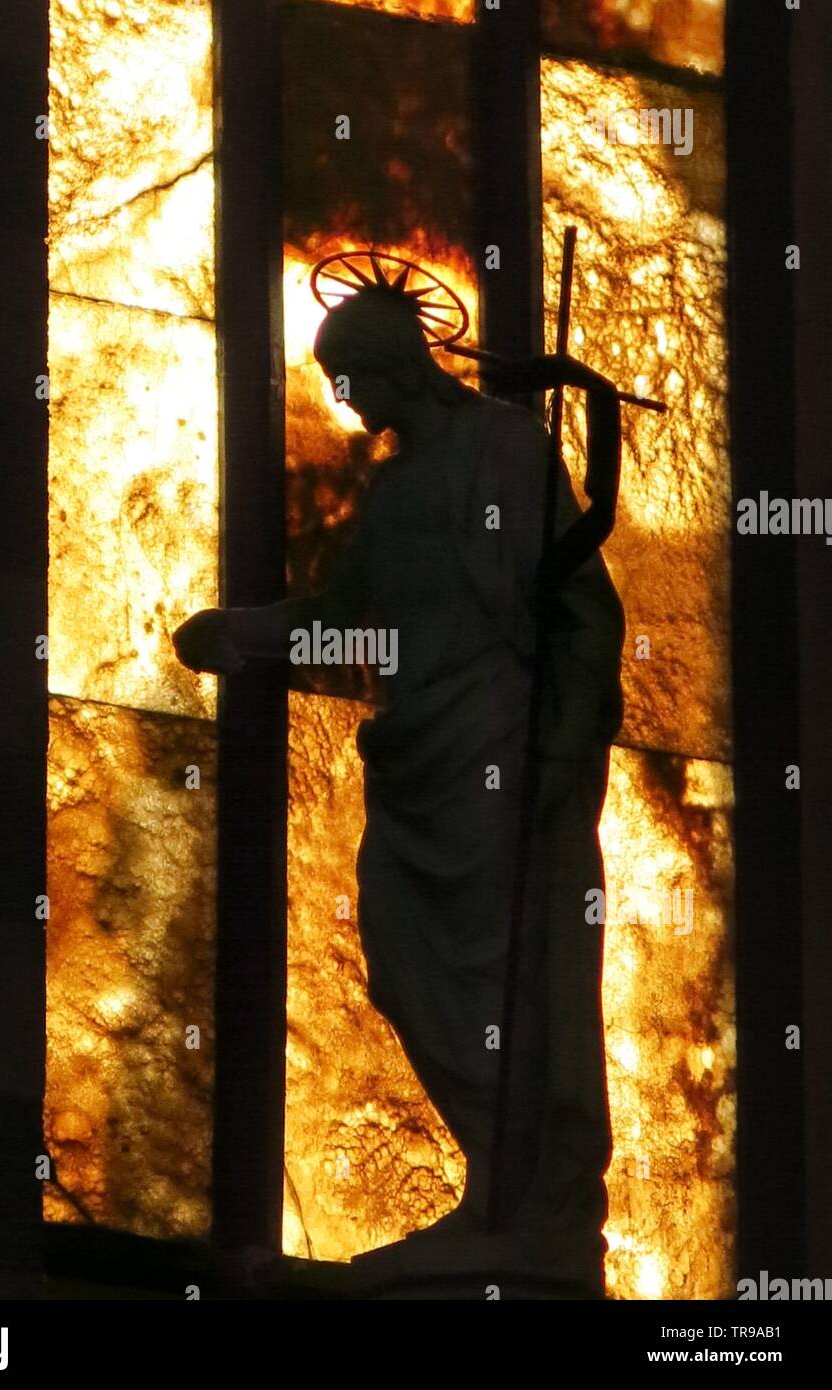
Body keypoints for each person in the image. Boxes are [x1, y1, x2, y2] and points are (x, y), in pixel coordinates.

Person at [174, 284, 625, 1294]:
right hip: (421, 761)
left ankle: (531, 1205)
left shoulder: (506, 449)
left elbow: (582, 607)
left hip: (502, 752)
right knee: (402, 952)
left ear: (394, 361)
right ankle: (499, 1184)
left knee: (516, 967)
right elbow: (346, 620)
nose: (344, 401)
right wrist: (245, 635)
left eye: (350, 377)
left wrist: (562, 750)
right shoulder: (393, 494)